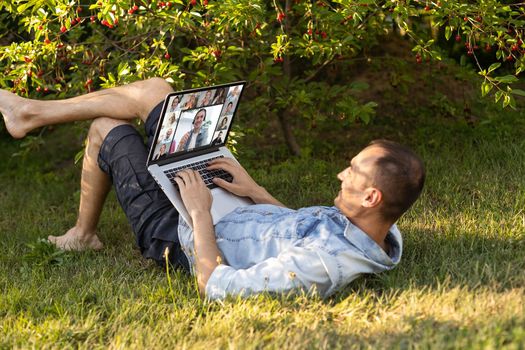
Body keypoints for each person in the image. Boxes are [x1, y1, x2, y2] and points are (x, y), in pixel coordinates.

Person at [0, 78, 425, 300]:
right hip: (232, 203)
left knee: (106, 129)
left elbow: (217, 286)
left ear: (372, 197)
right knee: (156, 92)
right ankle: (30, 114)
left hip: (182, 232)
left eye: (351, 172)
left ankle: (83, 233)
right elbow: (299, 226)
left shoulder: (322, 268)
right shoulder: (373, 229)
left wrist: (200, 210)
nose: (340, 175)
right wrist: (254, 189)